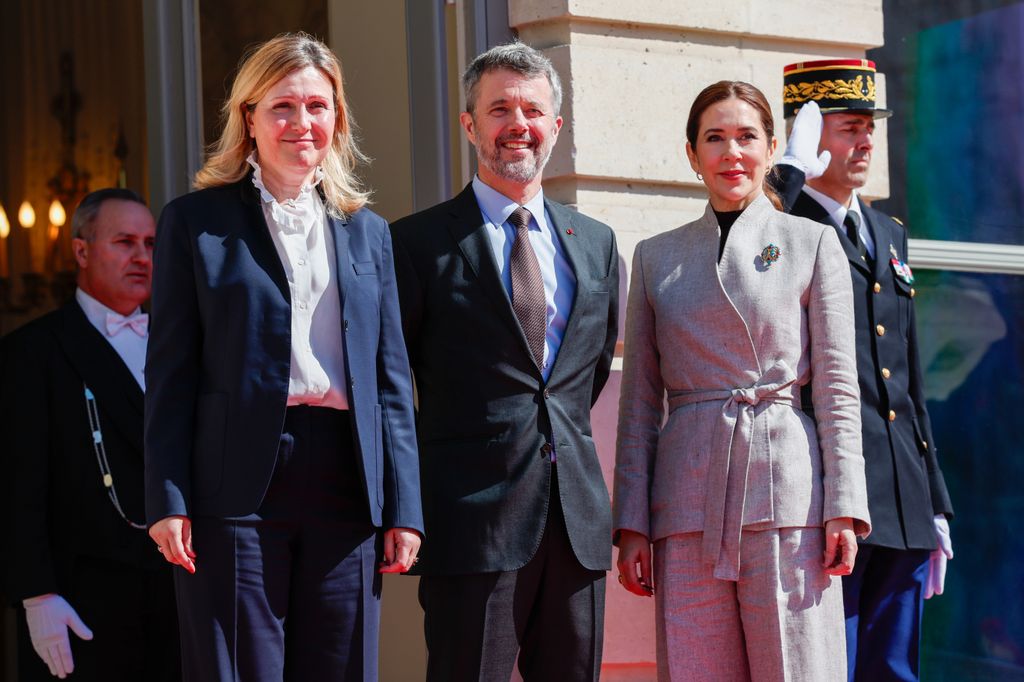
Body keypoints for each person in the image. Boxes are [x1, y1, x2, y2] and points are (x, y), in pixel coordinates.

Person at [144, 32, 423, 681]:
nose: (303, 122)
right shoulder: (195, 223)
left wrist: (404, 506)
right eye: (283, 107)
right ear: (249, 118)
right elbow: (171, 374)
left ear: (337, 118)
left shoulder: (369, 233)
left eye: (318, 106)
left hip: (346, 480)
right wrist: (168, 496)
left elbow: (389, 381)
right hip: (234, 483)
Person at [613, 81, 872, 681]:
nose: (732, 153)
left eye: (747, 137)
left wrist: (844, 507)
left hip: (788, 495)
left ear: (771, 148)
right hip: (685, 502)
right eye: (715, 138)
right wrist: (632, 522)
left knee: (798, 668)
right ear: (692, 153)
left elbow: (837, 388)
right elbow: (639, 403)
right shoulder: (656, 257)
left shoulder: (812, 242)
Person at [390, 42, 619, 681]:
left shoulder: (596, 243)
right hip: (470, 524)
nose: (518, 124)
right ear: (470, 126)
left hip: (576, 525)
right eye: (499, 109)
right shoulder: (414, 243)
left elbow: (587, 374)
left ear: (556, 127)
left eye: (533, 110)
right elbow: (392, 386)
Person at [773, 59, 954, 682]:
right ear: (810, 135)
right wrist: (786, 179)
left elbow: (908, 379)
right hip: (831, 497)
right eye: (849, 127)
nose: (866, 141)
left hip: (902, 499)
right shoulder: (786, 222)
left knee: (896, 670)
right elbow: (740, 258)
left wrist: (935, 502)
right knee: (831, 667)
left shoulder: (887, 232)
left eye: (870, 127)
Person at [3, 189, 180, 680]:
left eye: (150, 244)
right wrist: (36, 593)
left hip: (175, 590)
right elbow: (17, 485)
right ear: (81, 251)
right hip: (80, 597)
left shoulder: (180, 343)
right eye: (124, 242)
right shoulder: (31, 352)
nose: (141, 257)